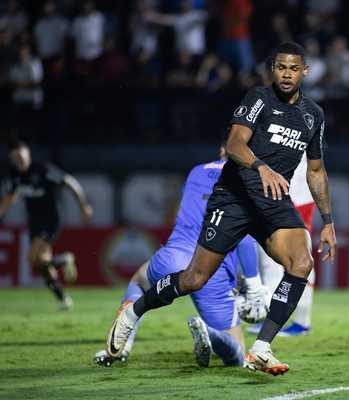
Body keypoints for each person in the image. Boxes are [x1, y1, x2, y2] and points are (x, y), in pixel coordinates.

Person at [106, 42, 336, 376]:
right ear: (273, 69)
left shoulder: (313, 115)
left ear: (305, 71)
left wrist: (328, 221)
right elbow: (234, 143)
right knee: (193, 278)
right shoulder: (259, 99)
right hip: (235, 198)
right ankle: (133, 313)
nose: (287, 74)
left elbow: (316, 171)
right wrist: (261, 167)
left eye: (294, 68)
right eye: (281, 67)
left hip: (272, 203)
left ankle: (262, 348)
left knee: (301, 263)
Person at [94, 148, 268, 367]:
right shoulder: (251, 179)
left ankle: (122, 347)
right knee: (236, 355)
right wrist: (253, 284)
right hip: (213, 270)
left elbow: (185, 207)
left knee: (138, 282)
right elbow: (244, 238)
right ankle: (211, 334)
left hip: (174, 256)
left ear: (223, 149)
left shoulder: (196, 171)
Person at [0, 140, 93, 309]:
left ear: (28, 154)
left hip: (51, 220)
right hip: (35, 224)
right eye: (15, 158)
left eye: (20, 156)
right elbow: (8, 200)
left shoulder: (43, 170)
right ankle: (63, 298)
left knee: (31, 258)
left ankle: (64, 260)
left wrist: (83, 205)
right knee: (41, 264)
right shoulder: (16, 177)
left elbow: (69, 181)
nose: (18, 161)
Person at [250, 153, 317, 337]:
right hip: (295, 193)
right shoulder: (310, 126)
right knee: (293, 256)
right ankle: (296, 321)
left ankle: (276, 319)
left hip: (289, 194)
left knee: (274, 257)